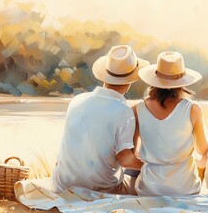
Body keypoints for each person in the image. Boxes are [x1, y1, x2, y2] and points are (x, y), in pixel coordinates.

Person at [52, 45, 149, 195]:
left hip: (62, 185)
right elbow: (126, 160)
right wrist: (152, 166)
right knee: (136, 173)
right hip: (100, 189)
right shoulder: (124, 111)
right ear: (130, 81)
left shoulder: (77, 100)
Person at [133, 51, 208, 196]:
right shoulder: (192, 108)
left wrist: (155, 159)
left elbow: (133, 153)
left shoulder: (137, 109)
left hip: (150, 188)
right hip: (185, 188)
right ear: (182, 83)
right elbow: (203, 150)